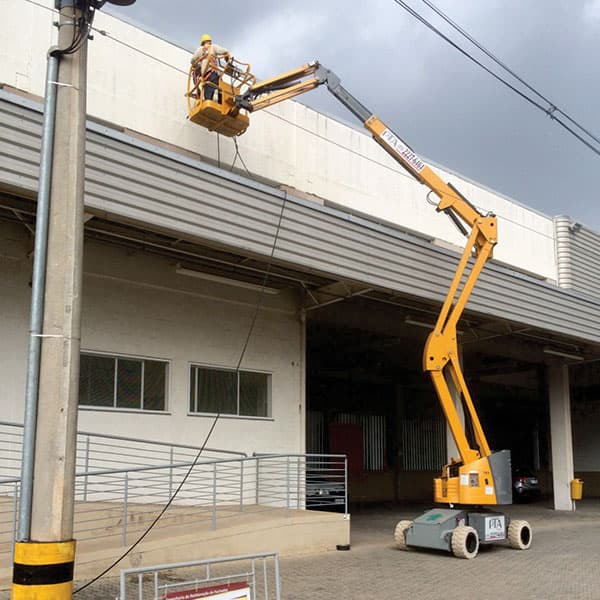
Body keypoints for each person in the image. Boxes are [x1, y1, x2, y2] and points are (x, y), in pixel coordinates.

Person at [191, 34, 230, 101]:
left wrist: (227, 55)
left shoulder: (211, 48)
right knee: (216, 89)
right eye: (207, 42)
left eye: (208, 42)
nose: (208, 44)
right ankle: (218, 102)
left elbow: (193, 61)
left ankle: (219, 103)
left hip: (212, 74)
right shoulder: (202, 50)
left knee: (215, 90)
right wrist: (198, 66)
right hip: (210, 75)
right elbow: (193, 61)